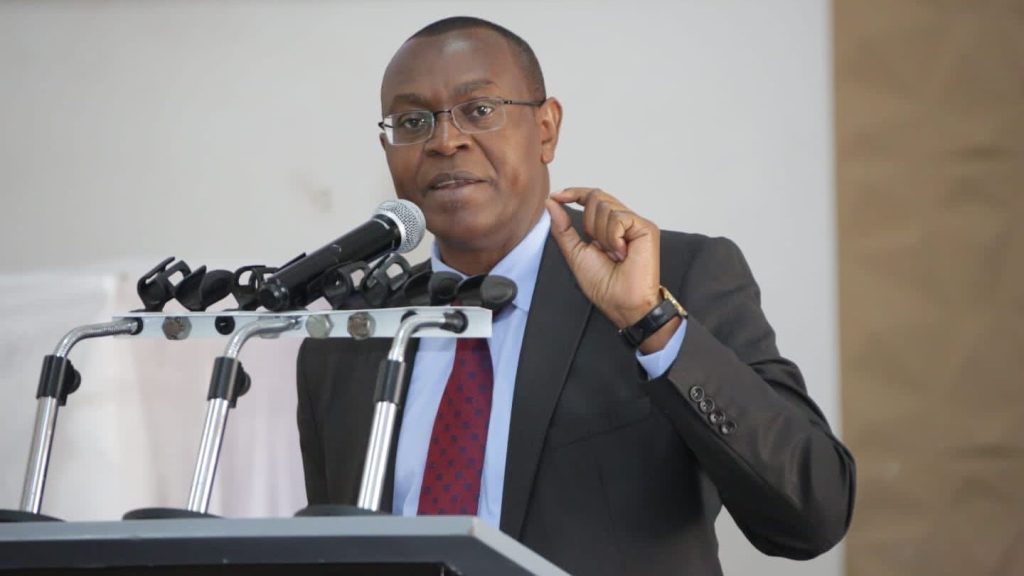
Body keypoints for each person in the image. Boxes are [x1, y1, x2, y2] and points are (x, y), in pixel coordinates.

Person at [296, 16, 855, 575]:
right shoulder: (348, 339)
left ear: (546, 129)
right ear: (387, 148)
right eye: (413, 121)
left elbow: (813, 513)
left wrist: (651, 324)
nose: (445, 141)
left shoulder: (672, 279)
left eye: (480, 110)